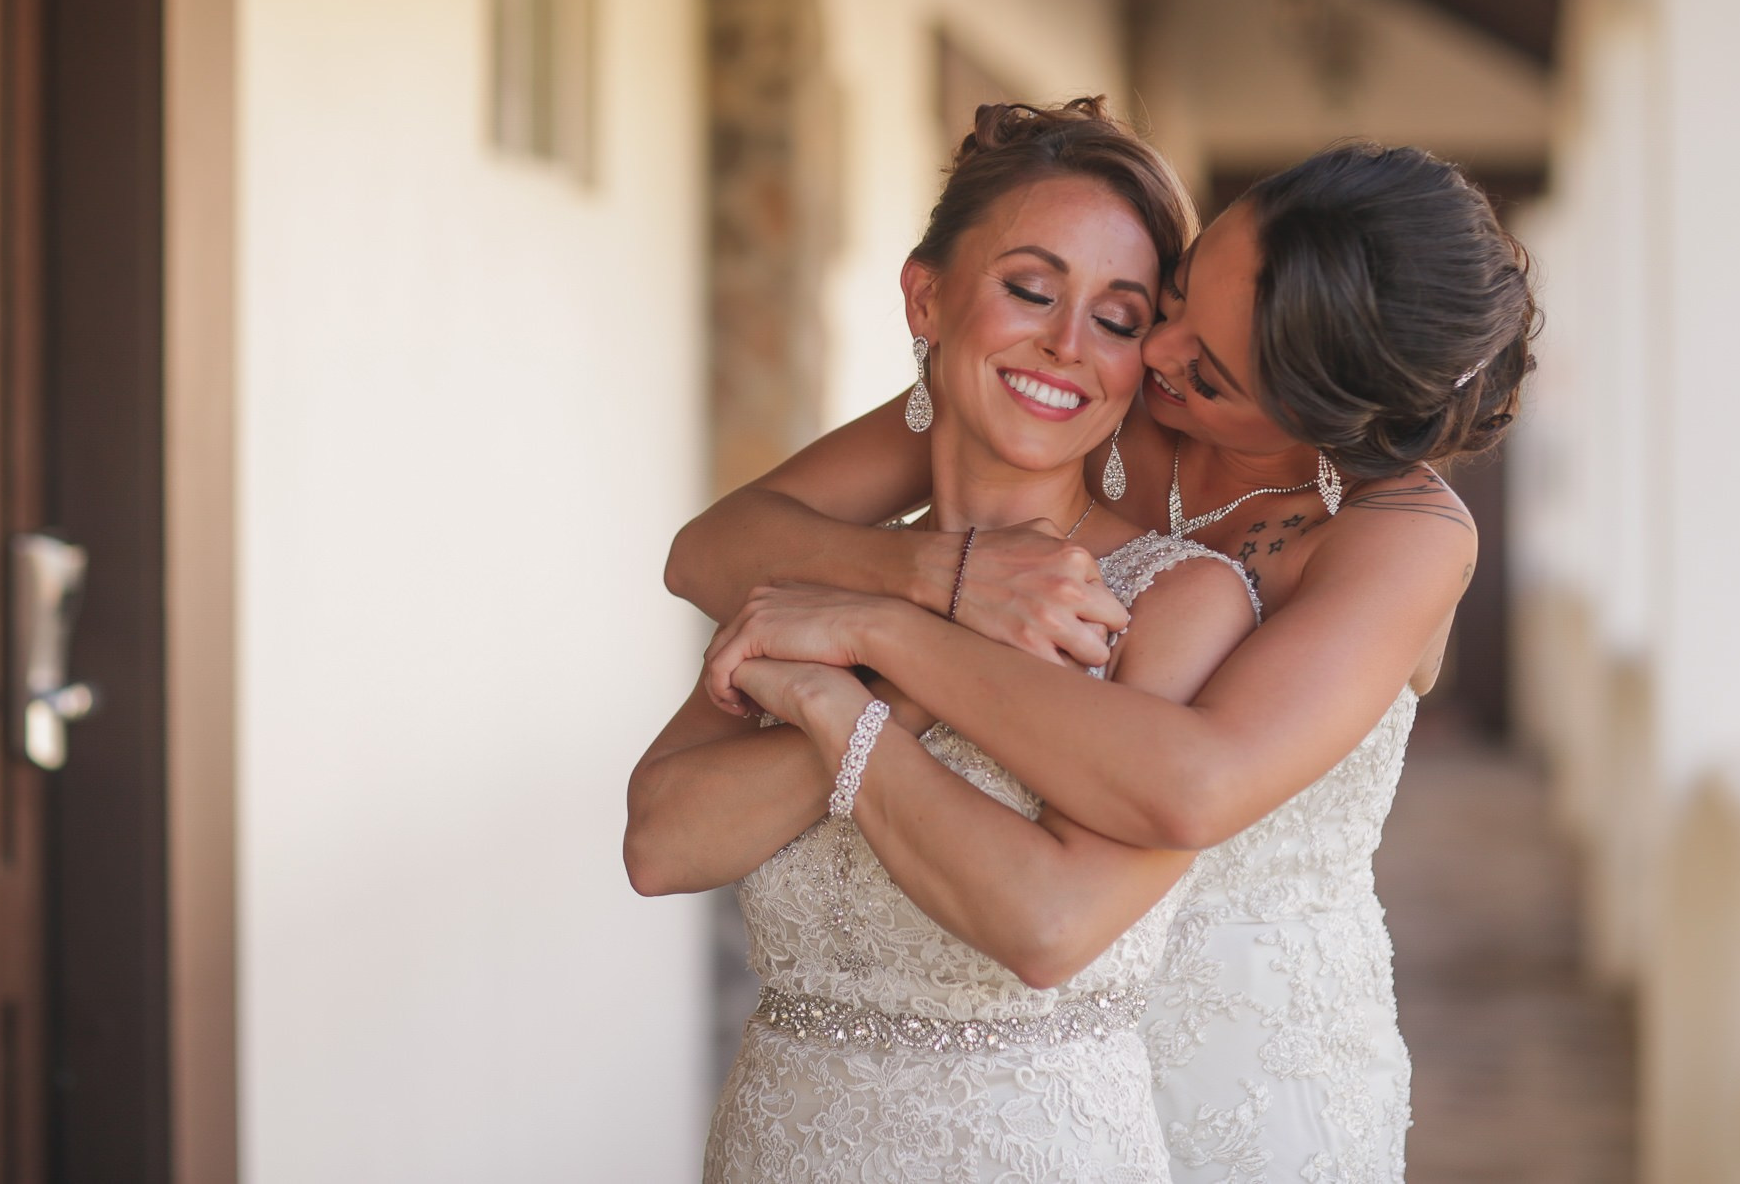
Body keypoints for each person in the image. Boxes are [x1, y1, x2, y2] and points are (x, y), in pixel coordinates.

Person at [676, 139, 1540, 1181]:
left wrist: (886, 636)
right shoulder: (1094, 390)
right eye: (1173, 297)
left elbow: (1193, 782)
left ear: (1327, 422)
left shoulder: (1397, 532)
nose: (1156, 352)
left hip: (1250, 1065)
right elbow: (712, 550)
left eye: (1207, 370)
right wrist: (939, 570)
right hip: (1037, 1060)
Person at [625, 99, 1265, 1181]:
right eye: (1029, 289)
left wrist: (842, 695)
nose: (1066, 345)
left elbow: (1043, 931)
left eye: (1115, 318)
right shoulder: (824, 576)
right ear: (926, 298)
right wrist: (925, 622)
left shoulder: (1175, 599)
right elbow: (660, 842)